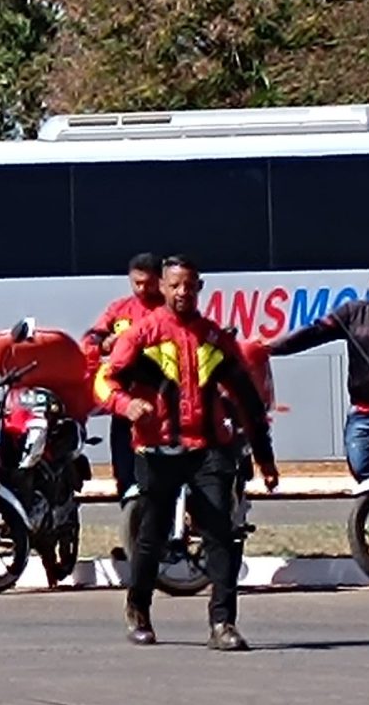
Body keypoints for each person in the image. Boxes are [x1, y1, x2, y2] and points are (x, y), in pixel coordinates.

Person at [104, 256, 280, 652]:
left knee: (221, 534)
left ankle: (223, 623)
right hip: (157, 449)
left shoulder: (215, 338)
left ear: (200, 288)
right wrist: (125, 405)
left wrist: (265, 458)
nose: (183, 292)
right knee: (150, 536)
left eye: (190, 285)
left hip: (208, 450)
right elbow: (104, 379)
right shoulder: (142, 335)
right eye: (175, 285)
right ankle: (139, 611)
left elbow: (249, 400)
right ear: (162, 288)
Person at [267, 265, 369, 481]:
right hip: (363, 411)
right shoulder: (352, 314)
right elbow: (314, 332)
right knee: (361, 468)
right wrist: (271, 348)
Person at [87, 254, 163, 498]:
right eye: (136, 283)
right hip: (125, 404)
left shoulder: (169, 308)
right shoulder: (120, 309)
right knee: (124, 472)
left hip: (162, 401)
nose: (142, 289)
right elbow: (91, 338)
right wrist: (105, 343)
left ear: (160, 281)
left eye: (148, 283)